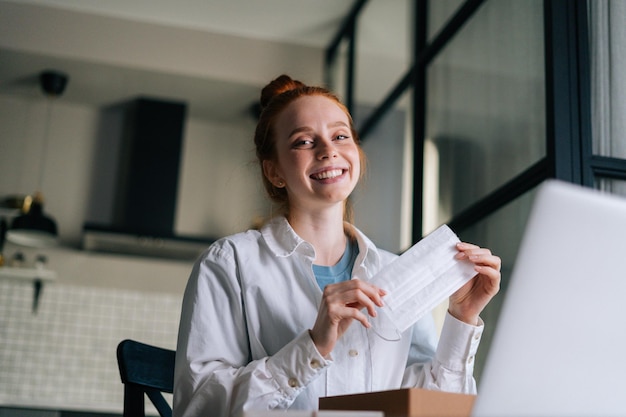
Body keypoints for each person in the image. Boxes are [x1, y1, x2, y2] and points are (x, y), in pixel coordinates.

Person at [173, 75, 501, 417]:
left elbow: (436, 410)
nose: (328, 150)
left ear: (355, 153)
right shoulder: (231, 263)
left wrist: (463, 318)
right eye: (303, 141)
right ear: (274, 172)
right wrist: (313, 344)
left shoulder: (394, 271)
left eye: (340, 136)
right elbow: (198, 406)